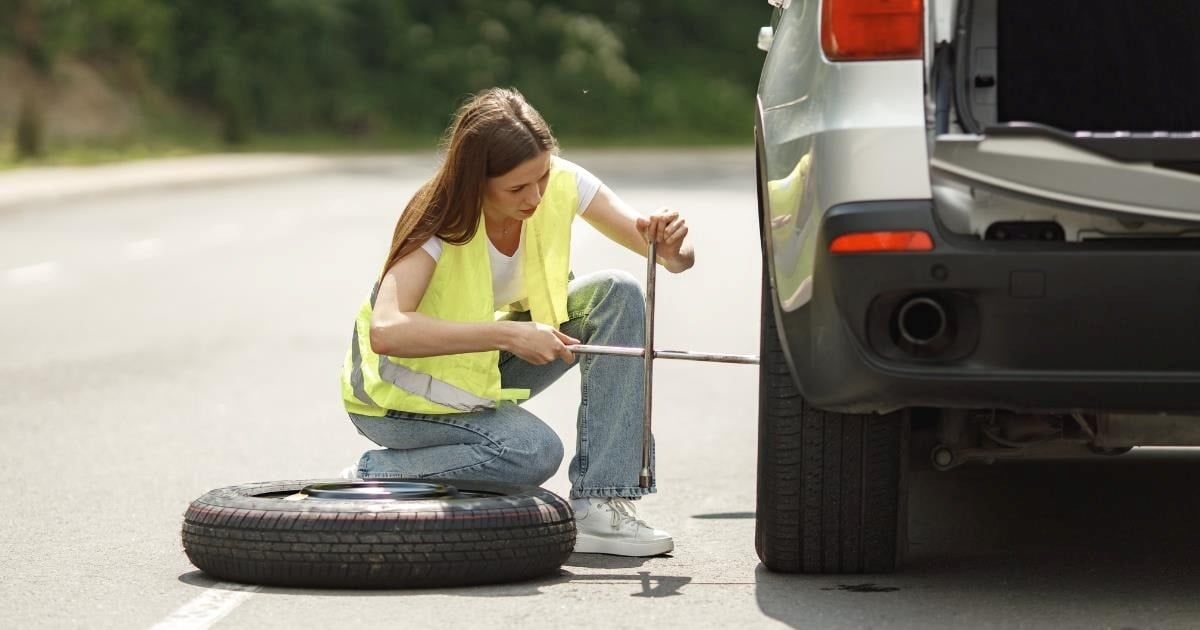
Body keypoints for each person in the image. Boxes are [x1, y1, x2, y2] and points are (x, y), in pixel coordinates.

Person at [338, 87, 694, 557]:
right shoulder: (436, 217)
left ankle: (600, 506)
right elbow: (387, 331)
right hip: (396, 398)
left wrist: (669, 246)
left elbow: (671, 258)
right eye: (517, 188)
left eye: (542, 178)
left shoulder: (560, 183)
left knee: (617, 291)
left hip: (474, 372)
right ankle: (373, 471)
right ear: (476, 181)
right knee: (532, 453)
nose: (536, 196)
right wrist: (509, 333)